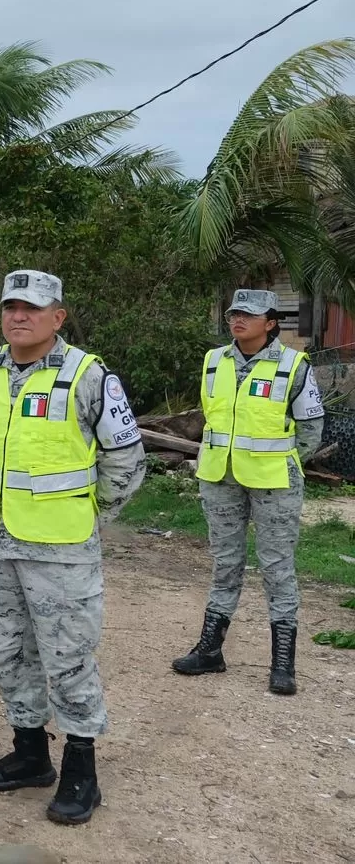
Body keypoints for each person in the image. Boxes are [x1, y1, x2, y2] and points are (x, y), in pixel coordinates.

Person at [0, 270, 145, 826]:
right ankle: (30, 753)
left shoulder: (88, 376)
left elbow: (127, 461)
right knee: (5, 653)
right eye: (11, 306)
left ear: (58, 316)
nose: (19, 317)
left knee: (67, 661)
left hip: (62, 550)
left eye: (33, 308)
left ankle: (81, 772)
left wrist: (90, 517)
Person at [171, 288, 323, 695]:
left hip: (274, 481)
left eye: (248, 315)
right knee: (226, 562)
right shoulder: (213, 361)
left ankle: (283, 662)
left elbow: (310, 429)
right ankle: (209, 651)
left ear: (271, 323)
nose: (237, 320)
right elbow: (211, 414)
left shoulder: (293, 365)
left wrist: (286, 464)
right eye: (234, 314)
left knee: (276, 568)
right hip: (220, 477)